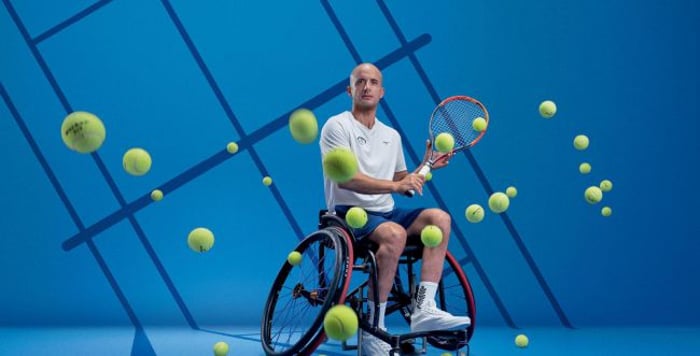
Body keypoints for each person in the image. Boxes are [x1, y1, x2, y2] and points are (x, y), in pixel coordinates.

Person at [319, 63, 471, 354]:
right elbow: (347, 179)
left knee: (439, 219)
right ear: (349, 89)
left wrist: (426, 167)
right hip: (348, 213)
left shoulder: (392, 135)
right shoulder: (336, 126)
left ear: (382, 92)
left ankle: (424, 308)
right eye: (360, 81)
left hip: (386, 212)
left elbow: (401, 180)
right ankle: (375, 329)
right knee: (394, 235)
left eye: (373, 82)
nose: (366, 87)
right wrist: (395, 187)